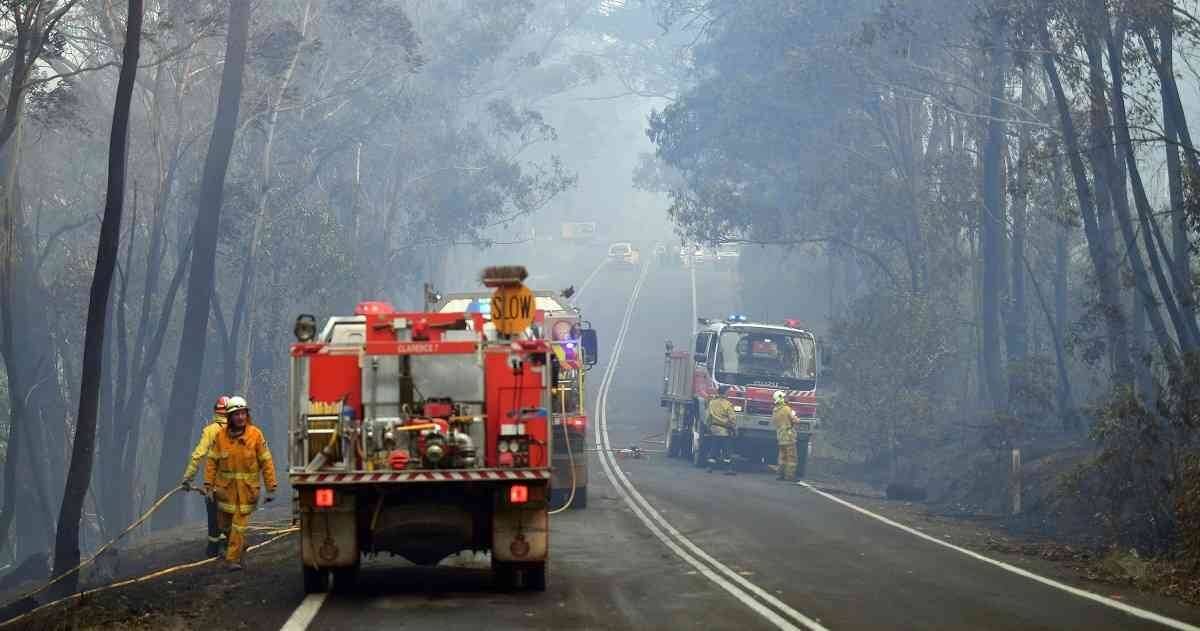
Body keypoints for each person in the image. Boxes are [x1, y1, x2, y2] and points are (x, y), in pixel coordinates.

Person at [205, 396, 277, 571]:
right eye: (236, 414)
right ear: (230, 417)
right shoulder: (220, 437)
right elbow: (212, 462)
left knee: (239, 525)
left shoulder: (255, 435)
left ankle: (232, 560)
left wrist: (271, 487)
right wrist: (208, 485)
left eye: (243, 413)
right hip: (225, 491)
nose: (240, 417)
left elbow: (266, 461)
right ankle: (239, 544)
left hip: (247, 491)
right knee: (225, 526)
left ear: (247, 415)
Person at [182, 395, 229, 557]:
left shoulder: (210, 431)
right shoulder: (241, 430)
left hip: (214, 485)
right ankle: (228, 545)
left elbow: (197, 455)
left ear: (215, 412)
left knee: (214, 515)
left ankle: (214, 548)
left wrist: (188, 479)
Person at [705, 386, 738, 475]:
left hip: (714, 429)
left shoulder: (712, 403)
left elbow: (708, 417)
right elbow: (732, 419)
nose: (728, 394)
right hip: (725, 431)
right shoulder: (728, 404)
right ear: (724, 393)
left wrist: (708, 427)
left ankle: (710, 467)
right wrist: (734, 429)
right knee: (727, 451)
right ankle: (728, 469)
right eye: (728, 392)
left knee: (714, 449)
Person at [772, 390, 799, 482]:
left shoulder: (775, 410)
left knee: (782, 456)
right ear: (781, 399)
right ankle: (790, 476)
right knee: (791, 457)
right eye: (785, 397)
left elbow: (774, 422)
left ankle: (780, 475)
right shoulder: (787, 409)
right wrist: (796, 418)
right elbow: (795, 420)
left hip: (780, 435)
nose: (787, 398)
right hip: (788, 435)